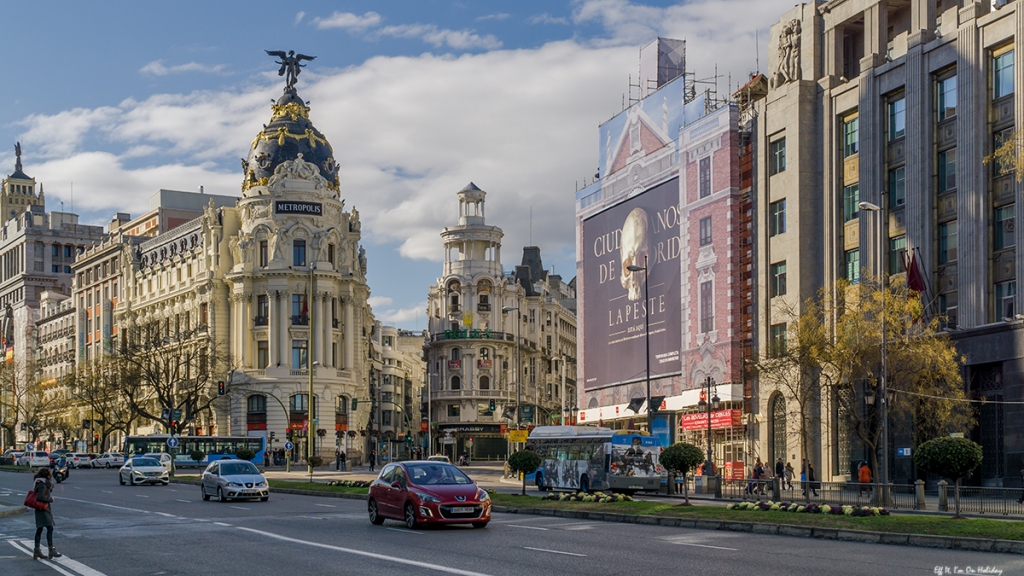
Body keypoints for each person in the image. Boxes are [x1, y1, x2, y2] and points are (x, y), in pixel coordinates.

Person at [31, 468, 60, 560]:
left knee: (40, 529)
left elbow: (43, 493)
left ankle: (37, 550)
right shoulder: (42, 484)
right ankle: (51, 549)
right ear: (47, 476)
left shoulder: (40, 483)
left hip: (41, 509)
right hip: (43, 509)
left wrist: (50, 489)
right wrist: (50, 499)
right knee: (49, 528)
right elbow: (40, 497)